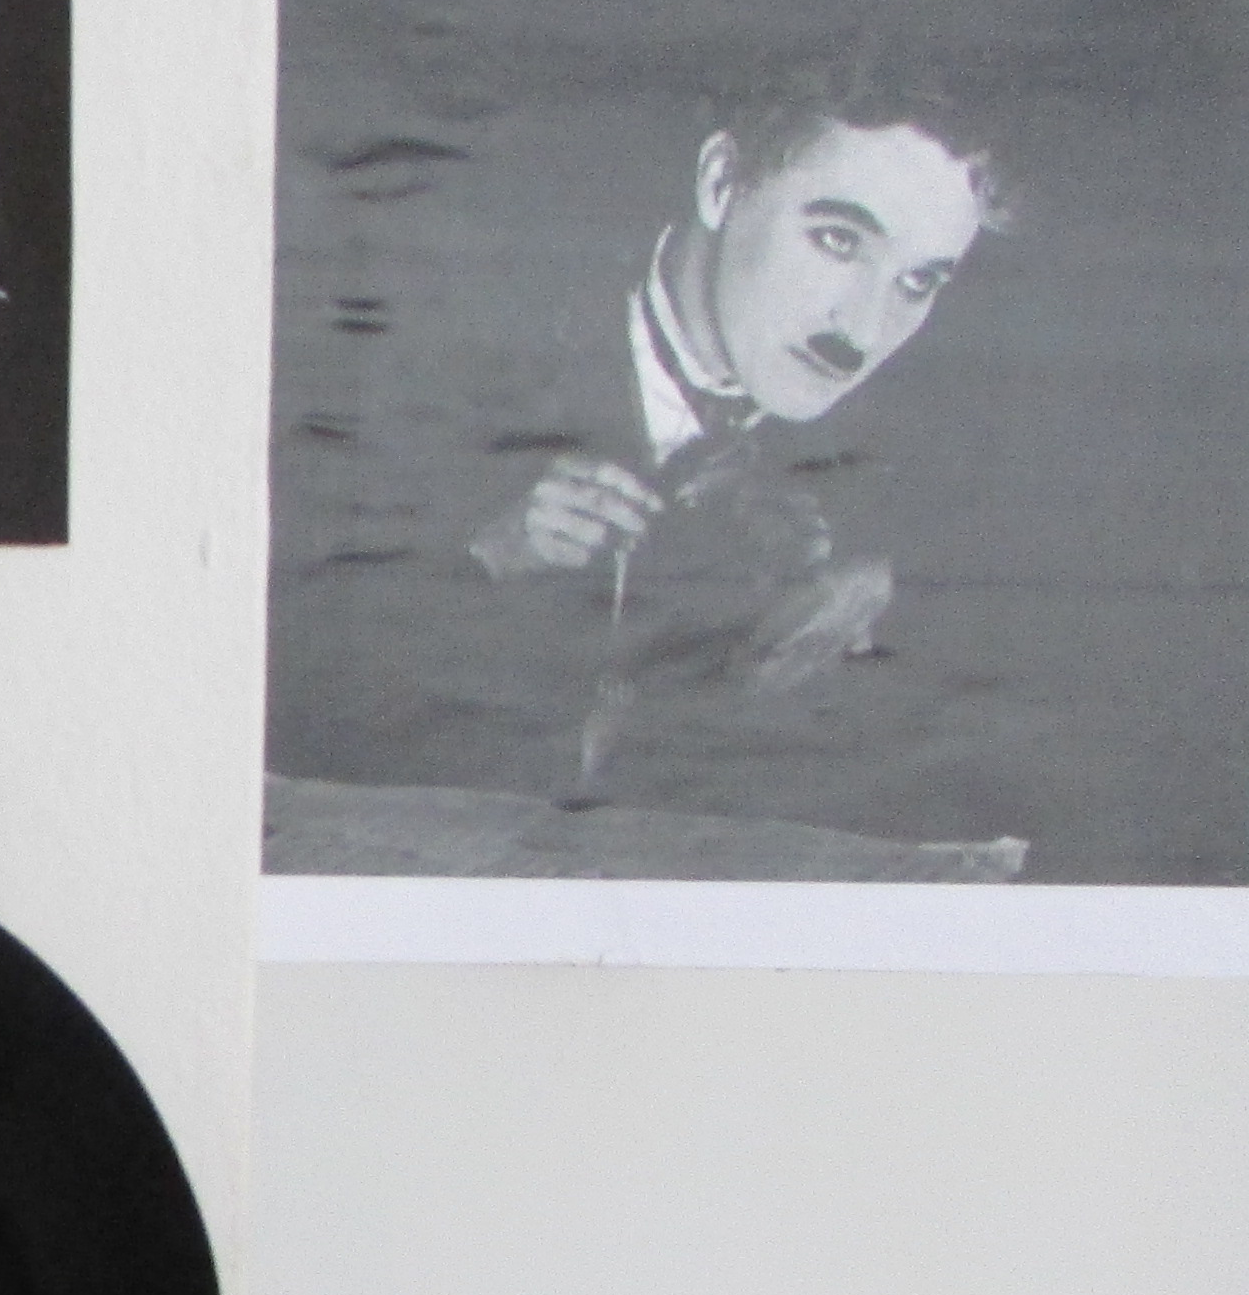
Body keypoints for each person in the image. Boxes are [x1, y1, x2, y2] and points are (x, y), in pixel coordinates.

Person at [429, 55, 1003, 812]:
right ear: (722, 183)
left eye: (917, 282)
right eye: (837, 240)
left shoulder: (923, 470)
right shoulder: (455, 333)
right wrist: (494, 554)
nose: (864, 332)